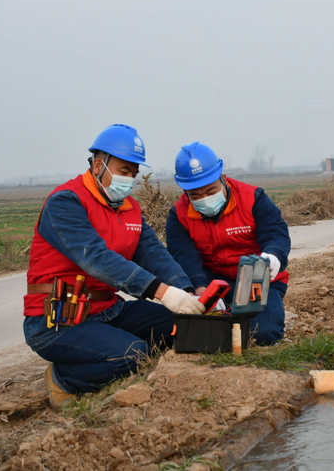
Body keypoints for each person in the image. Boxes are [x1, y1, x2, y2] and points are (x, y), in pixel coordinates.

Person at [24, 124, 205, 409]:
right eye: (123, 172)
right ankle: (63, 378)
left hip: (108, 309)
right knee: (133, 355)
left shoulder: (129, 208)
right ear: (98, 166)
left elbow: (154, 254)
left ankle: (102, 351)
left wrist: (186, 293)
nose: (130, 180)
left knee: (182, 327)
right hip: (57, 319)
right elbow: (96, 259)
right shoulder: (66, 203)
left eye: (133, 174)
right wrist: (162, 293)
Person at [165, 142, 290, 345]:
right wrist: (201, 290)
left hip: (256, 277)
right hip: (213, 280)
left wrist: (273, 256)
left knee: (263, 334)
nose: (204, 199)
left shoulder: (253, 199)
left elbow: (275, 233)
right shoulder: (178, 216)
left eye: (210, 191)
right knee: (193, 333)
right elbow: (184, 256)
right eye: (195, 195)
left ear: (222, 177)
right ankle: (226, 309)